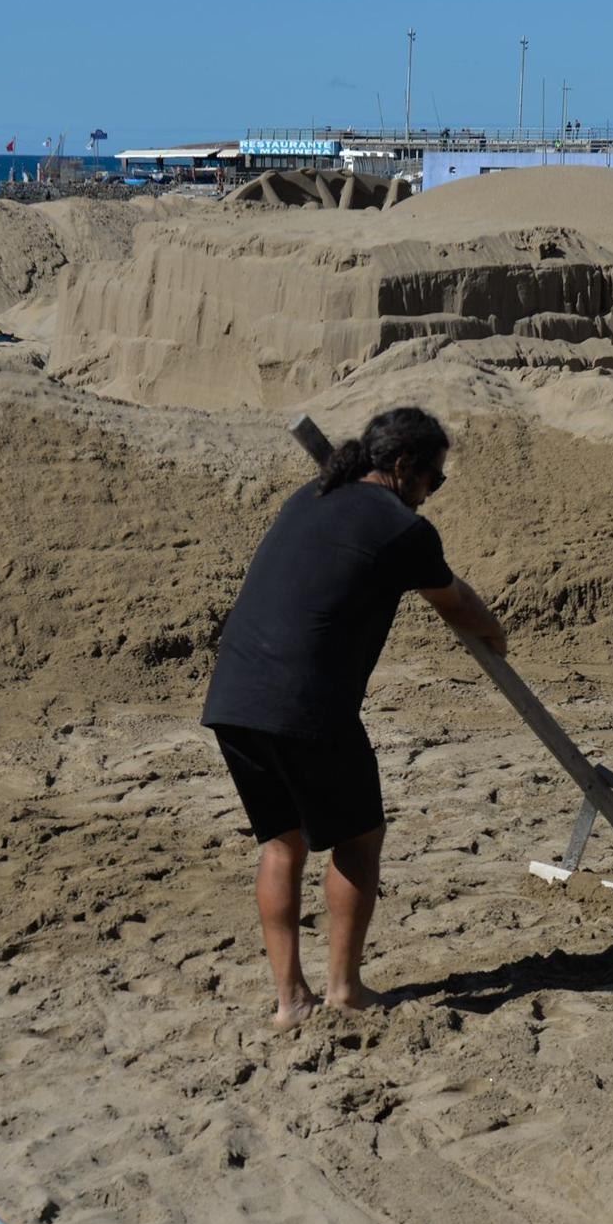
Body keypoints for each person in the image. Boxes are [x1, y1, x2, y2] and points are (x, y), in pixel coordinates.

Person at [202, 407, 507, 1031]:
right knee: (359, 837)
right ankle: (344, 989)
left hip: (234, 696)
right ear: (401, 467)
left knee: (282, 845)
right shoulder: (404, 532)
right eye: (433, 480)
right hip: (305, 702)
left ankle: (291, 1001)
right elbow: (456, 603)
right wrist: (496, 632)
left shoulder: (310, 494)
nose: (431, 494)